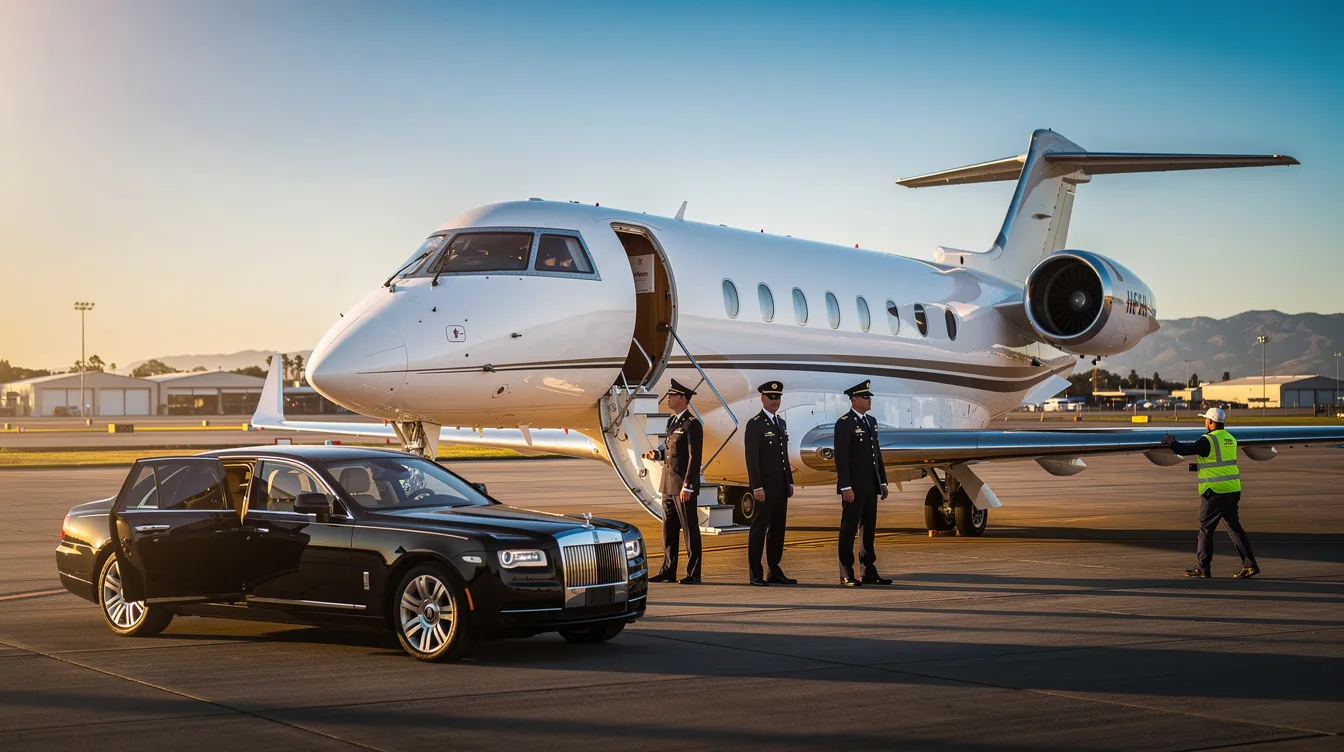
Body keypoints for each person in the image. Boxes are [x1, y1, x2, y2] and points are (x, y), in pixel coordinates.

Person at [1163, 407, 1259, 579]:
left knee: (1206, 529)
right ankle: (1250, 564)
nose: (1205, 422)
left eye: (1206, 419)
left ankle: (1203, 567)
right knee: (1235, 528)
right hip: (1232, 489)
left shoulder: (1208, 440)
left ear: (1212, 422)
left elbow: (1186, 450)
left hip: (1215, 491)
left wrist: (1172, 442)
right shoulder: (1230, 438)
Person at [643, 379, 704, 584]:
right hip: (668, 484)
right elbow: (671, 451)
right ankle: (668, 570)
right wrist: (657, 454)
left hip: (682, 486)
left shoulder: (692, 425)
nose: (668, 398)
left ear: (683, 399)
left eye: (672, 395)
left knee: (689, 529)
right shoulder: (672, 422)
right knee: (668, 530)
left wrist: (688, 485)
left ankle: (693, 573)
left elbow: (694, 458)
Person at [834, 380, 891, 587]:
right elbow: (841, 458)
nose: (869, 401)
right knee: (849, 529)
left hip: (870, 485)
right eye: (866, 397)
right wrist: (846, 487)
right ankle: (846, 572)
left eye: (869, 397)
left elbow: (876, 454)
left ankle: (868, 570)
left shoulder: (870, 421)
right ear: (854, 399)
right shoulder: (844, 423)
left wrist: (882, 481)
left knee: (868, 529)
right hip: (854, 487)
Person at [744, 380, 795, 586]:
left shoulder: (780, 422)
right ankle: (755, 573)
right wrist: (756, 486)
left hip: (780, 486)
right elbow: (752, 458)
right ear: (762, 398)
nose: (775, 400)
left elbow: (784, 456)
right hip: (764, 487)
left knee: (777, 530)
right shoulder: (755, 424)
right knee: (759, 530)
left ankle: (774, 570)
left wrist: (789, 481)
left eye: (778, 397)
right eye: (771, 397)